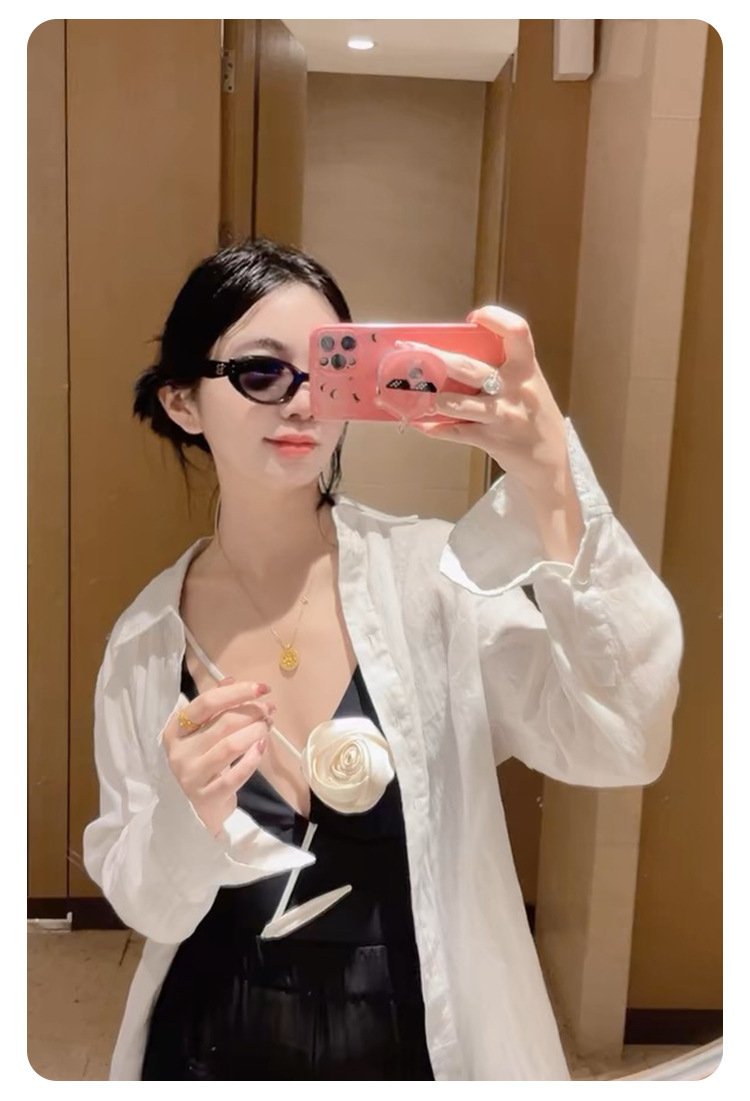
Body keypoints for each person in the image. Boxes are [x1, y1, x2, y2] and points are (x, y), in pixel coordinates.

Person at [82, 238, 683, 1081]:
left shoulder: (433, 583)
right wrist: (187, 817)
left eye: (330, 369)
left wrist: (555, 486)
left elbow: (622, 737)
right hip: (205, 1048)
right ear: (184, 401)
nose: (302, 402)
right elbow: (146, 902)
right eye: (262, 372)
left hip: (412, 1050)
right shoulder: (146, 641)